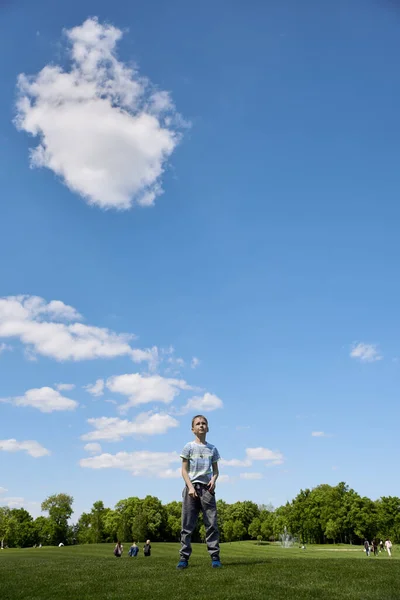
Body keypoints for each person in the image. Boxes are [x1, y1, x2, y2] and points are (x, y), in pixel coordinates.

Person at [176, 414, 221, 570]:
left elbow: (215, 471)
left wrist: (213, 481)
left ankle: (215, 557)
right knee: (187, 525)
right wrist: (190, 487)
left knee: (211, 524)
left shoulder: (212, 449)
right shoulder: (188, 447)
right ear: (193, 429)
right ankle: (183, 558)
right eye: (198, 423)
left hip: (207, 490)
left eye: (204, 423)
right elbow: (183, 470)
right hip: (191, 489)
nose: (201, 425)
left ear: (207, 428)